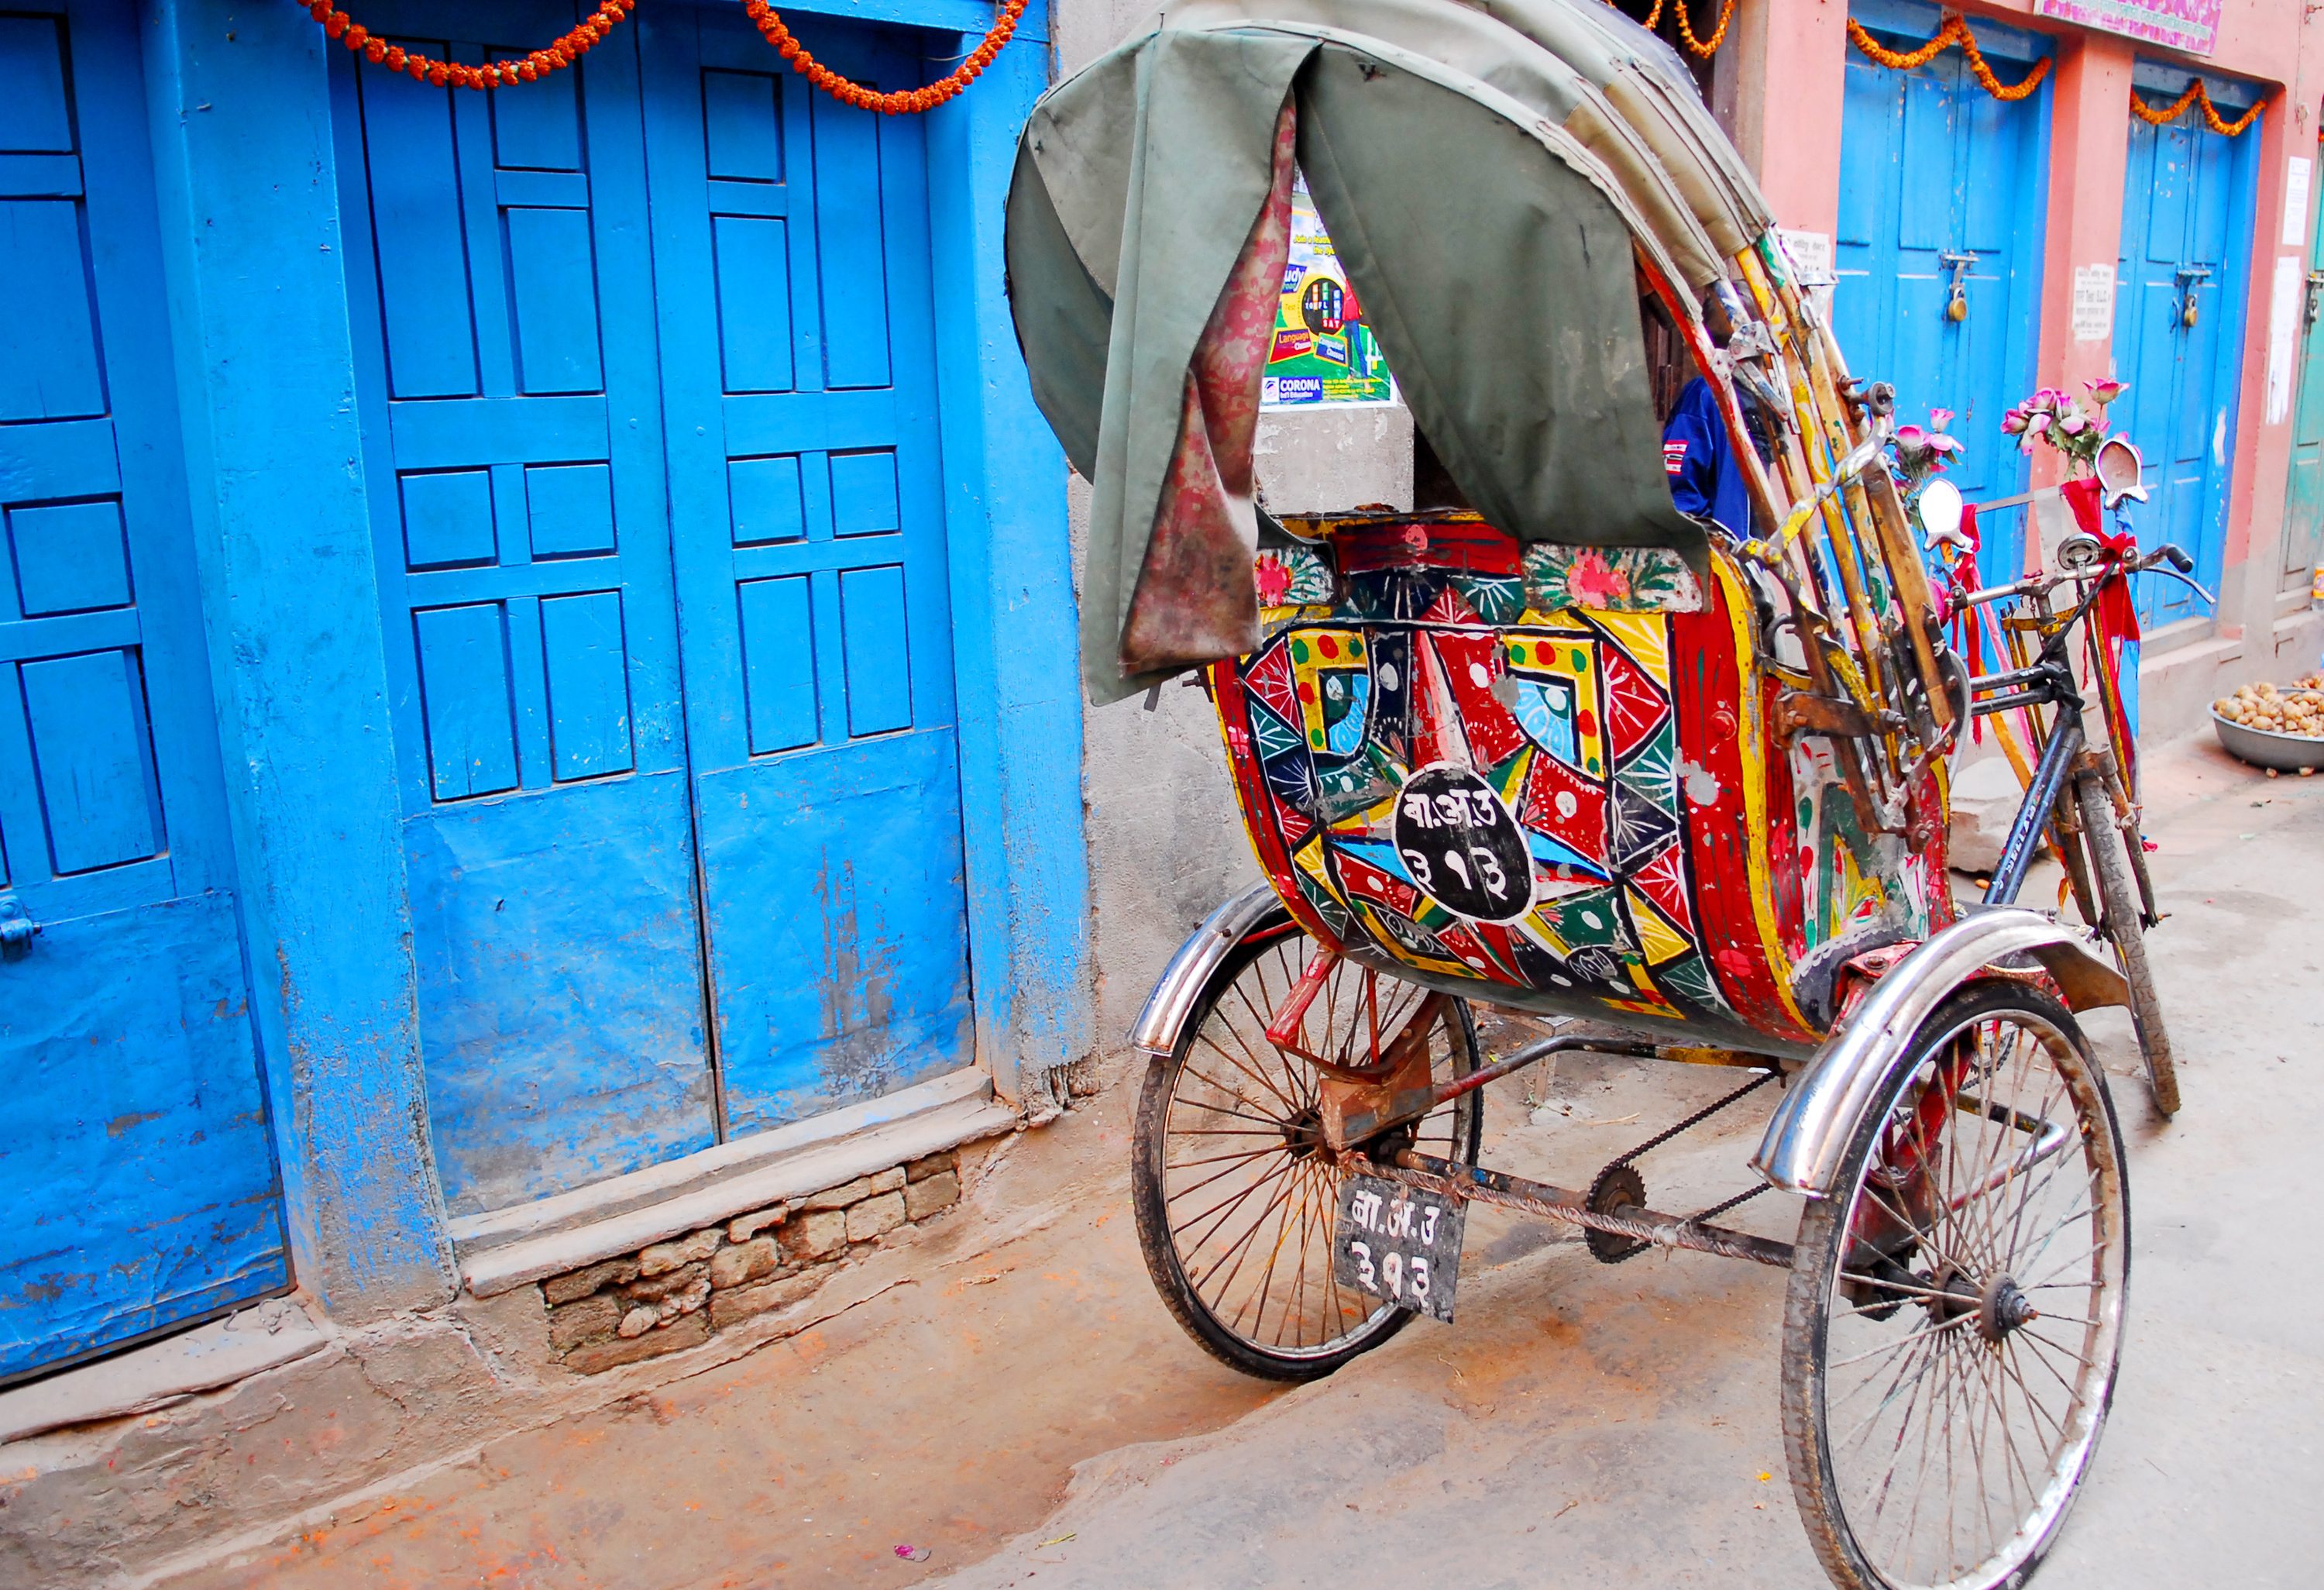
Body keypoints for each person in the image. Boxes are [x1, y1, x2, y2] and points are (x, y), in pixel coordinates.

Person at [1659, 292, 1756, 539]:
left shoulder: (1752, 397)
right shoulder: (1707, 395)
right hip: (1721, 549)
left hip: (1741, 548)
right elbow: (1681, 495)